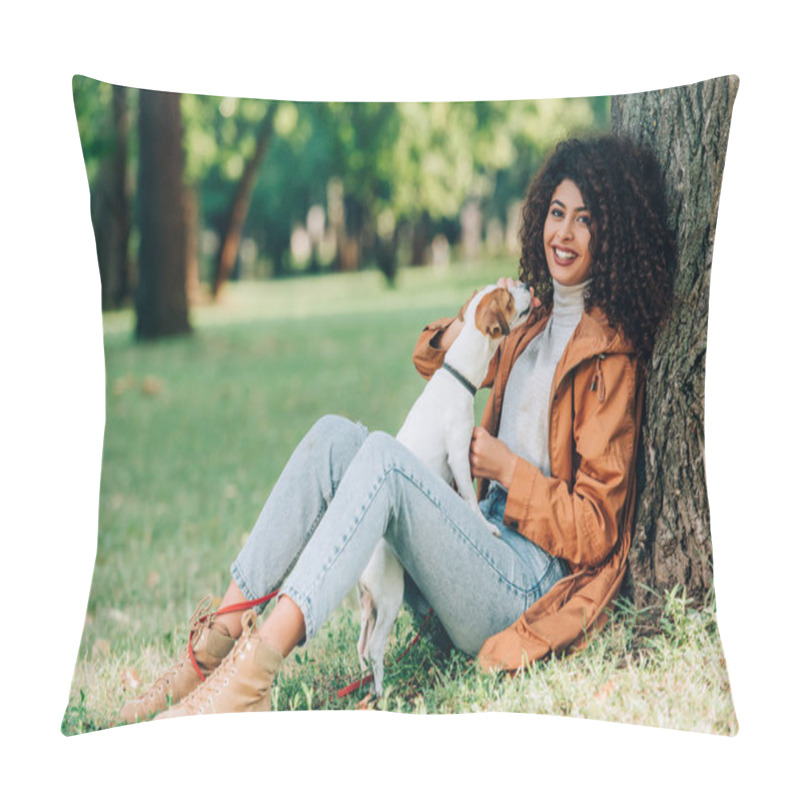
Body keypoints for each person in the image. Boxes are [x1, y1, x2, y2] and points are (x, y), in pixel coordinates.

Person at [118, 135, 674, 723]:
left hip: (527, 586)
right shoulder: (527, 322)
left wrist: (510, 472)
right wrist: (476, 319)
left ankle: (255, 672)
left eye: (585, 221)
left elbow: (597, 531)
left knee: (384, 458)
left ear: (612, 234)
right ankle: (207, 656)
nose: (563, 233)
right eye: (556, 213)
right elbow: (429, 359)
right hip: (470, 545)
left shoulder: (611, 358)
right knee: (337, 437)